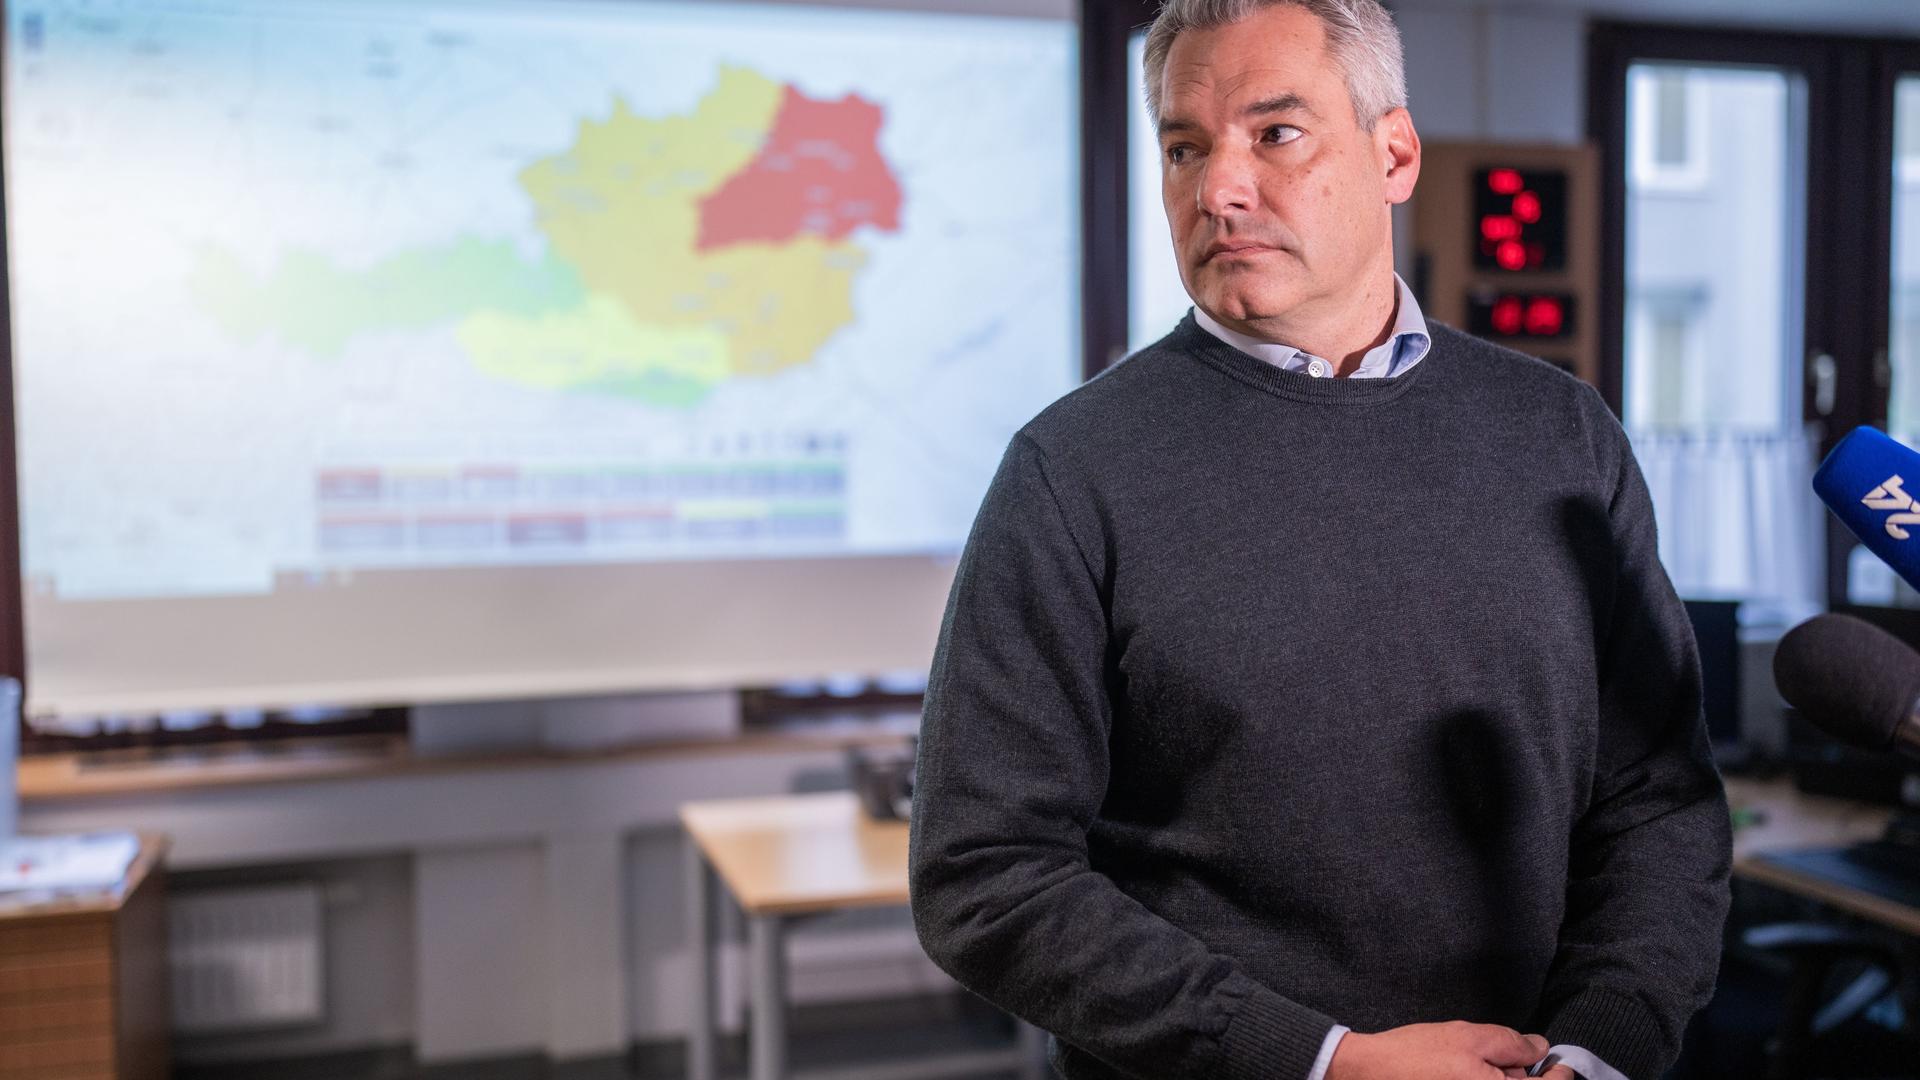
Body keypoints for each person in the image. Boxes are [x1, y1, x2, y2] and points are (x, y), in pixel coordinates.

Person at [906, 1, 1732, 1078]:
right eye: (1184, 147)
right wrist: (1322, 1061)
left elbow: (1660, 801)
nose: (1218, 189)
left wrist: (1599, 1049)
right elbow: (985, 873)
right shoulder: (1071, 472)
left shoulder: (1560, 434)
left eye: (1275, 133)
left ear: (1394, 154)